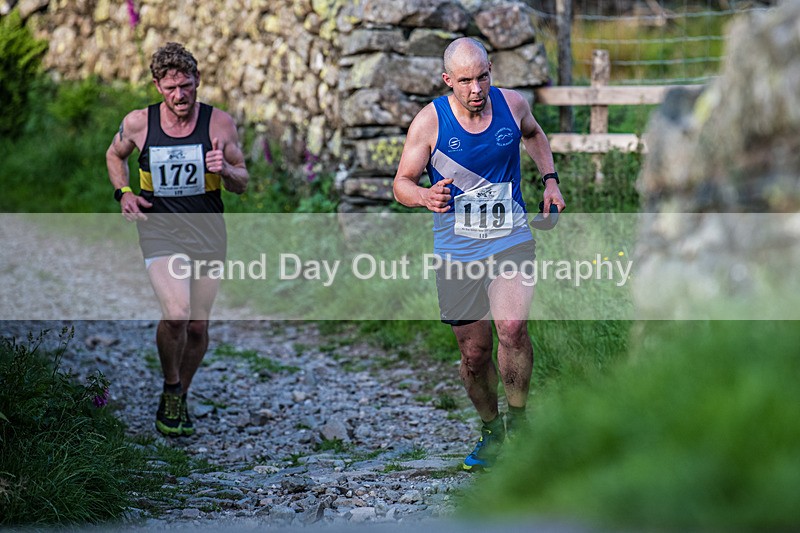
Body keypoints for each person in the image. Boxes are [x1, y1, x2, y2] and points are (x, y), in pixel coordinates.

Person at [393, 37, 565, 470]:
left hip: (510, 237)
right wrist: (423, 197)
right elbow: (402, 183)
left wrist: (550, 180)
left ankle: (520, 422)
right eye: (465, 80)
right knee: (474, 355)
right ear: (448, 80)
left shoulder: (512, 105)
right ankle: (492, 428)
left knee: (512, 326)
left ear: (492, 70)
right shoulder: (430, 123)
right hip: (457, 251)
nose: (476, 88)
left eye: (483, 77)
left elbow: (534, 135)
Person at [105, 42, 249, 437]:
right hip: (159, 229)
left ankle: (178, 395)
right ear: (157, 86)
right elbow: (114, 156)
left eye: (186, 86)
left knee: (199, 328)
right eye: (170, 89)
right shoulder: (139, 123)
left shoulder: (219, 124)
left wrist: (226, 171)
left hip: (207, 231)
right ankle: (171, 383)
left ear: (198, 80)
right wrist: (124, 193)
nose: (180, 95)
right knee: (176, 313)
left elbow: (242, 181)